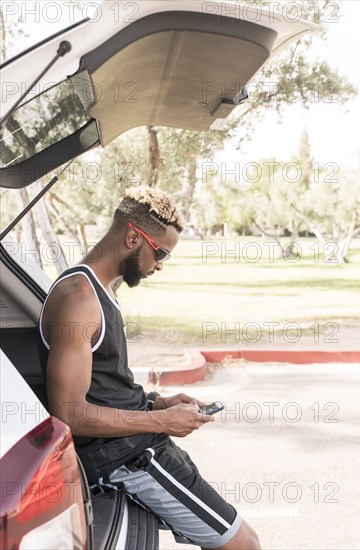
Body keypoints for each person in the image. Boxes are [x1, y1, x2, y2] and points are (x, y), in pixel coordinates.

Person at [37, 186, 262, 550]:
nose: (159, 265)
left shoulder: (99, 290)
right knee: (245, 544)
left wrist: (159, 403)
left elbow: (106, 386)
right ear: (131, 237)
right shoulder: (79, 299)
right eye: (160, 253)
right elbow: (69, 414)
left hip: (139, 443)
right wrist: (160, 422)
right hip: (126, 457)